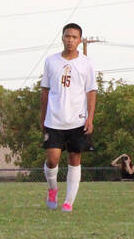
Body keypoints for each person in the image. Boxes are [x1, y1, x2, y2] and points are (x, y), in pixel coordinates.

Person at [40, 22, 96, 212]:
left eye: (74, 37)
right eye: (67, 36)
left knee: (74, 159)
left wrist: (90, 118)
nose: (70, 40)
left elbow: (91, 91)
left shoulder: (86, 63)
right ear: (62, 38)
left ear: (80, 40)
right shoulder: (51, 61)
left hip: (77, 120)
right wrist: (42, 118)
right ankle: (52, 189)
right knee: (53, 160)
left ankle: (68, 202)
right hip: (54, 120)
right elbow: (45, 91)